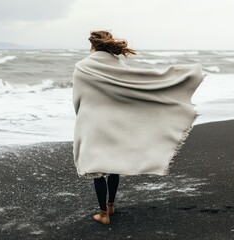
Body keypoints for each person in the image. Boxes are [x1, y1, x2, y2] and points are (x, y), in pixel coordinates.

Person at [72, 30, 205, 225]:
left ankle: (103, 214)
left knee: (97, 168)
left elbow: (77, 99)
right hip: (115, 121)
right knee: (112, 163)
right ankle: (111, 205)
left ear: (92, 45)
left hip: (93, 122)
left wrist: (81, 116)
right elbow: (135, 86)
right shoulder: (118, 65)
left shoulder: (82, 67)